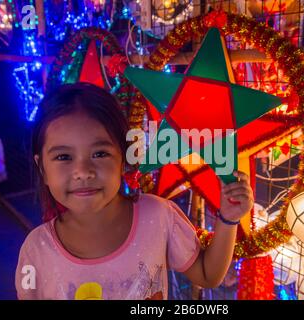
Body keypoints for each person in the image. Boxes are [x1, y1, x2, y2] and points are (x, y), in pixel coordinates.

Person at [15, 82, 254, 300]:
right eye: (63, 157)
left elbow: (206, 274)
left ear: (123, 157)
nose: (83, 171)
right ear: (42, 168)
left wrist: (228, 219)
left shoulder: (158, 216)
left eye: (100, 154)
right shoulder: (36, 249)